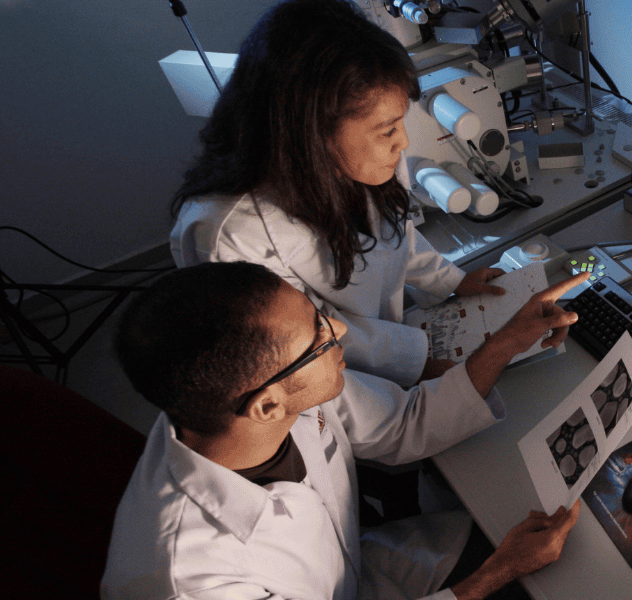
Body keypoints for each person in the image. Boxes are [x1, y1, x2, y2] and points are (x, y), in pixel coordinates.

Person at [102, 261, 590, 600]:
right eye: (318, 338)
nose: (339, 331)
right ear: (267, 405)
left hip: (358, 569)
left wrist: (505, 341)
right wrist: (497, 574)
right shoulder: (189, 577)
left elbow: (405, 423)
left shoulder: (249, 403)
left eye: (318, 315)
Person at [170, 0, 502, 387]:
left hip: (392, 351)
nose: (404, 142)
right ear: (312, 130)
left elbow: (397, 237)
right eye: (388, 130)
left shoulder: (358, 158)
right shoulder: (229, 233)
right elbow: (310, 337)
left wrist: (452, 281)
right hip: (331, 386)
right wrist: (418, 365)